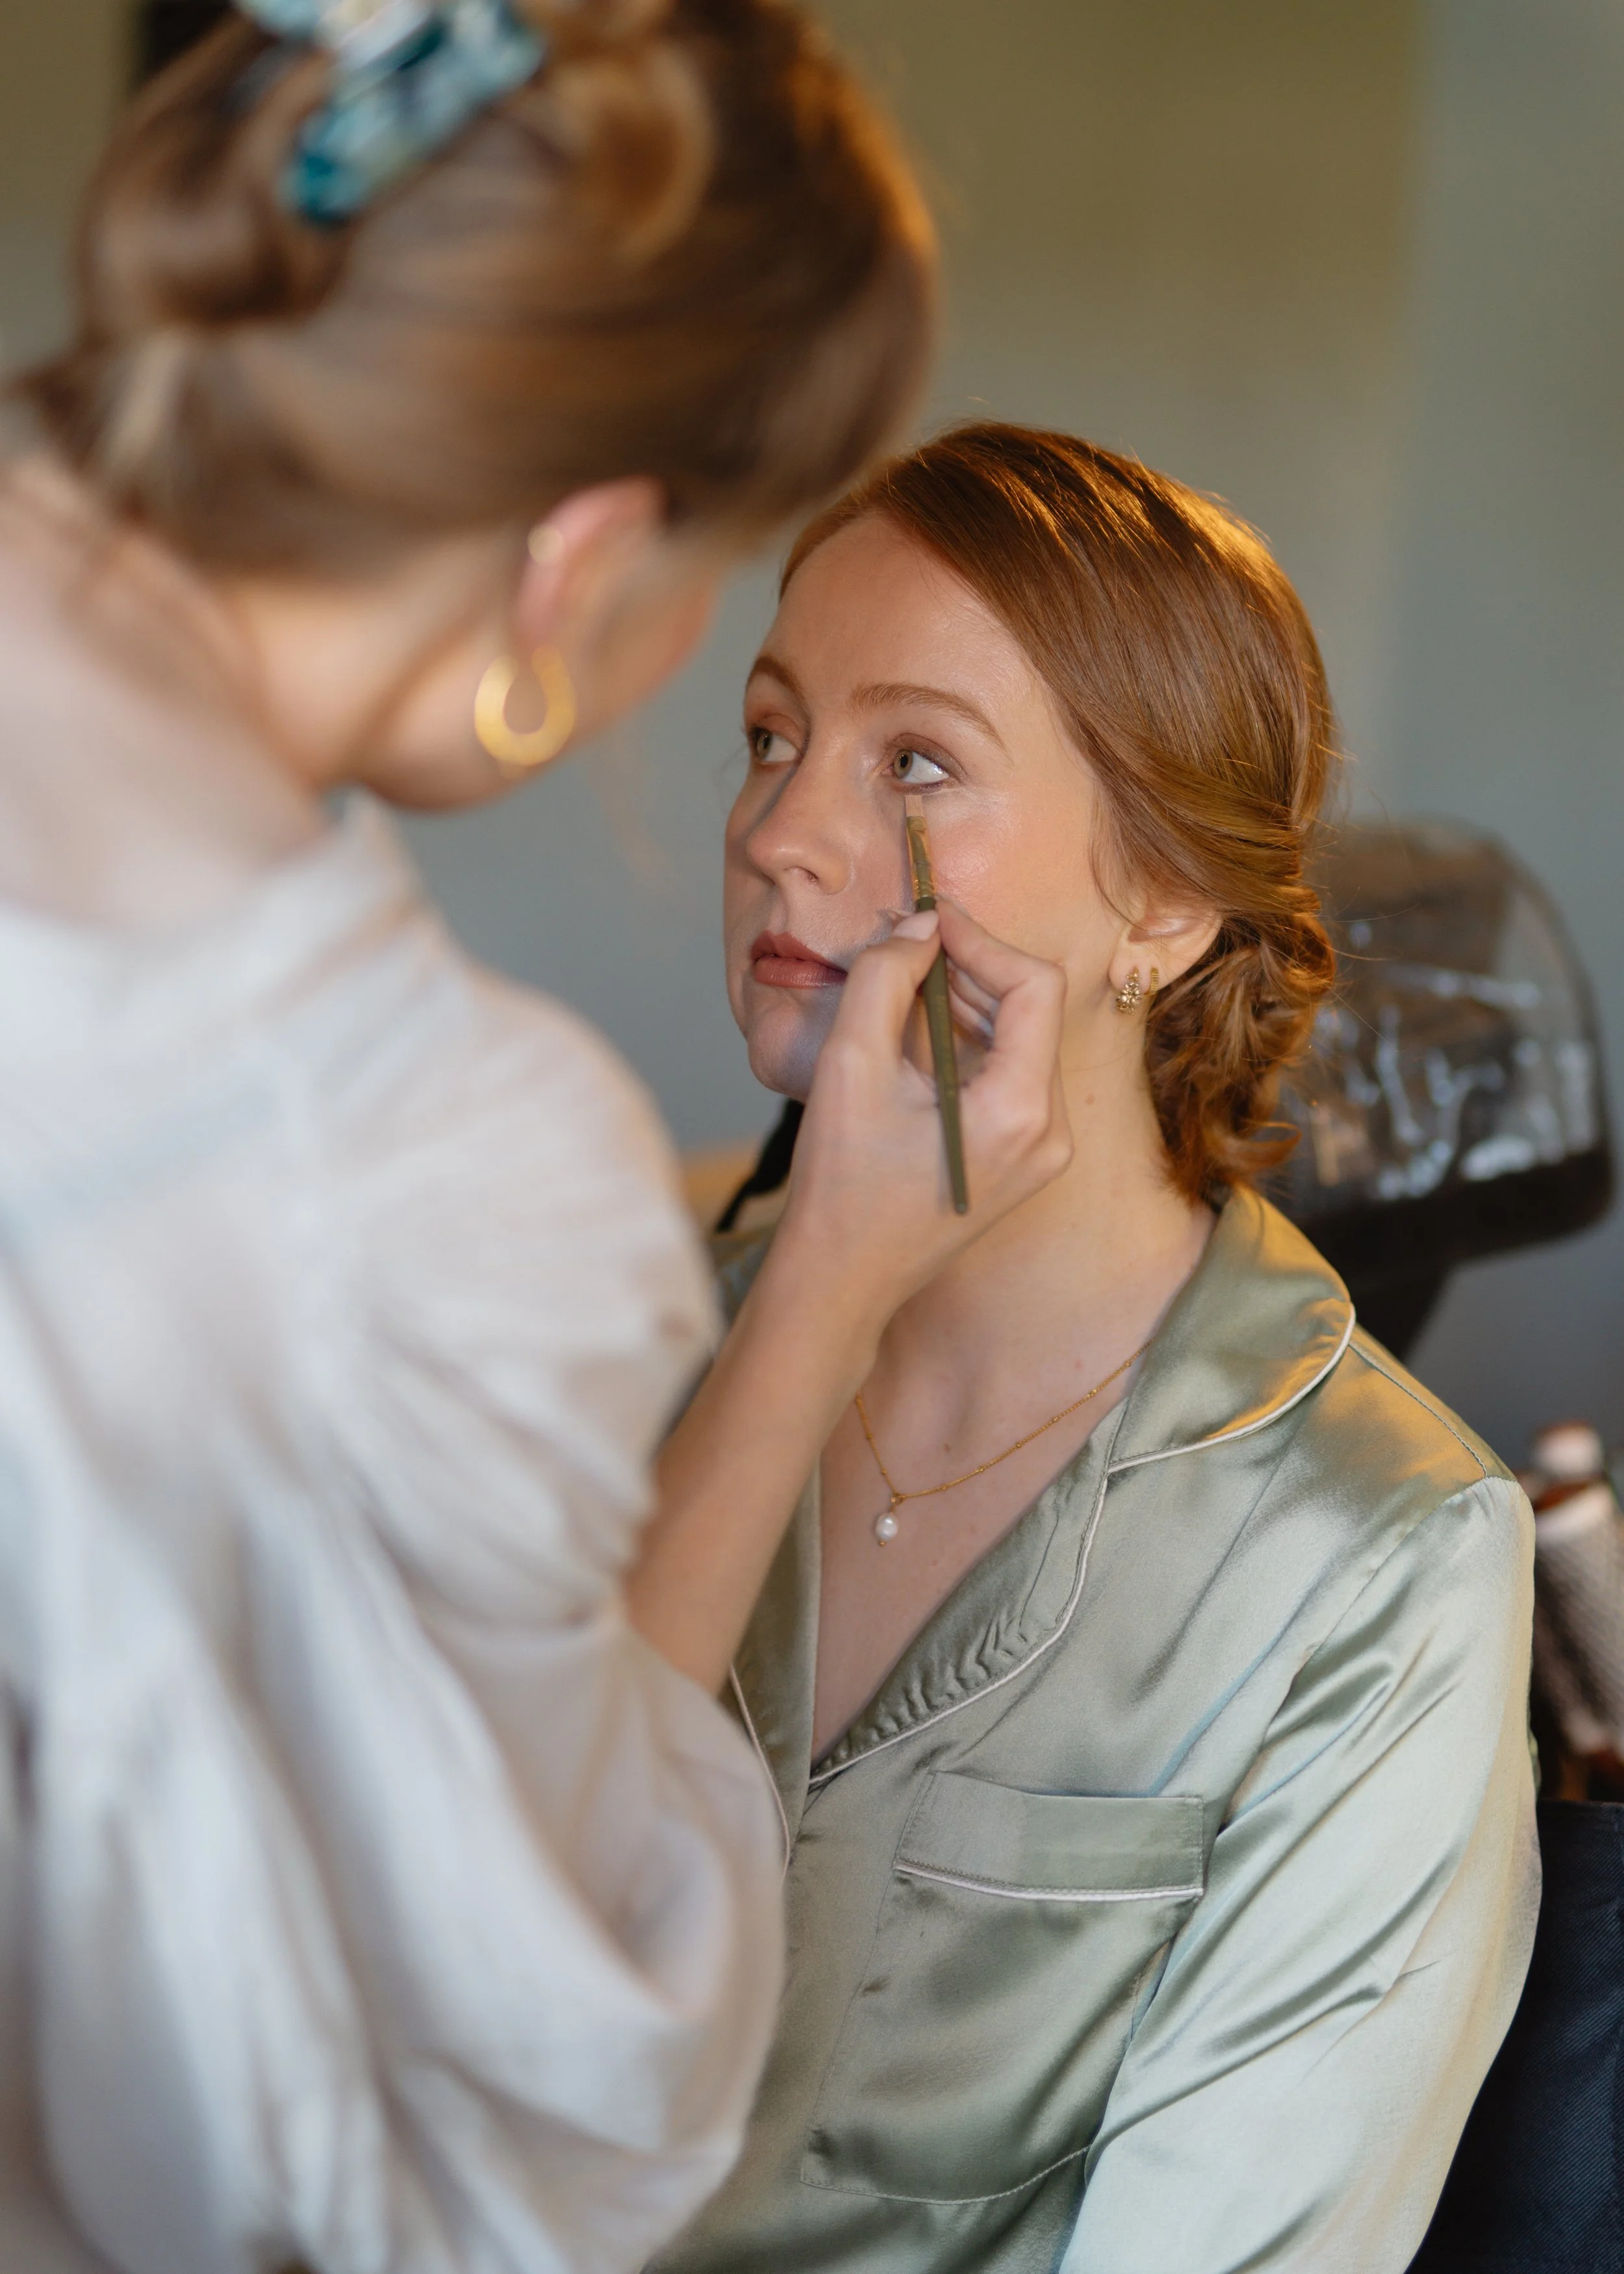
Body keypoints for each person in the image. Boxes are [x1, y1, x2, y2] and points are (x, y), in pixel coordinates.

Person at [0, 12, 1079, 2272]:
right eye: (755, 693)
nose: (787, 832)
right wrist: (821, 1304)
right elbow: (476, 2052)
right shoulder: (430, 1165)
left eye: (913, 766)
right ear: (570, 554)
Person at [649, 425, 1542, 2274]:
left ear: (1162, 901)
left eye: (911, 760)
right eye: (767, 732)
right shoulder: (608, 1342)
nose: (777, 829)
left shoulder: (1376, 1554)